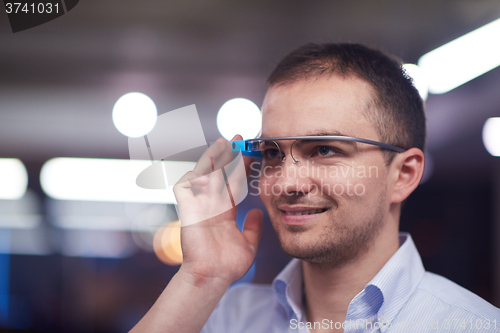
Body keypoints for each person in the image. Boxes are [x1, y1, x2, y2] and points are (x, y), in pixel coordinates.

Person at [131, 43, 500, 333]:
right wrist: (201, 278)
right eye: (272, 152)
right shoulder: (221, 318)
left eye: (325, 150)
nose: (287, 183)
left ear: (402, 175)